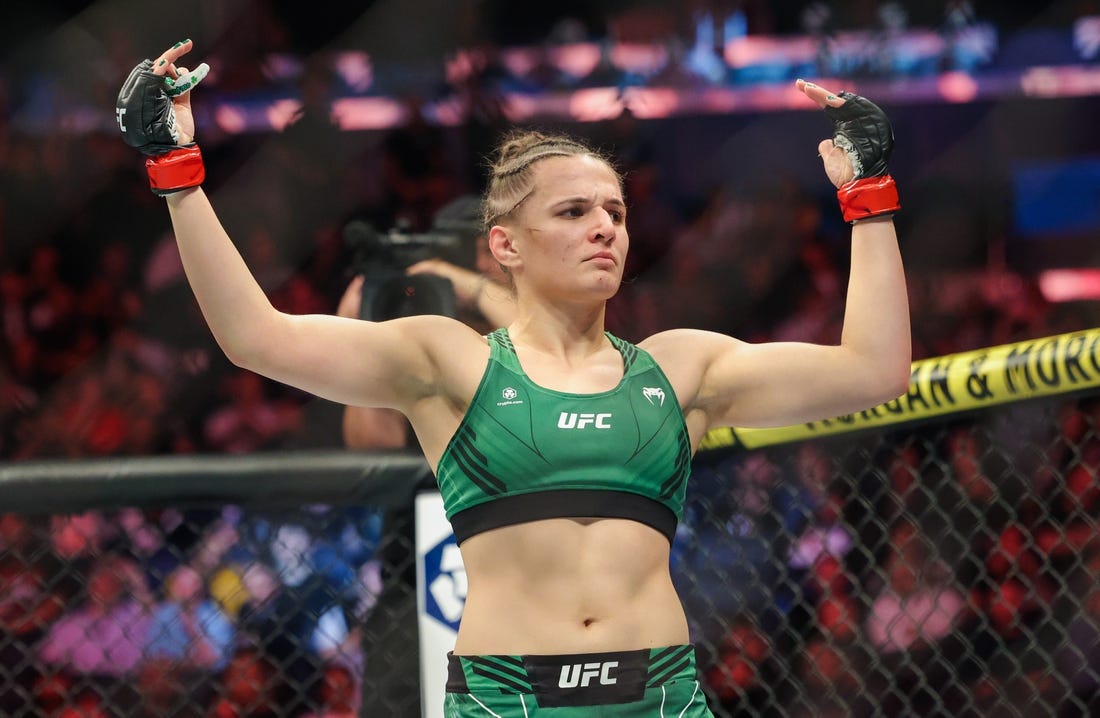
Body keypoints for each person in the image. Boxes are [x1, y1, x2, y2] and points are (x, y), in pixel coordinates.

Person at [116, 39, 910, 716]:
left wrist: (867, 198)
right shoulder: (449, 361)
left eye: (615, 212)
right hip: (508, 698)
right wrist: (177, 174)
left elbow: (875, 372)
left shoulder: (682, 366)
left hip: (661, 695)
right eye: (573, 212)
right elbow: (255, 337)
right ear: (505, 246)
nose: (605, 225)